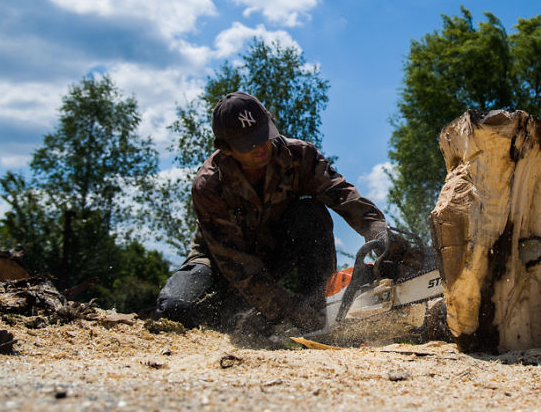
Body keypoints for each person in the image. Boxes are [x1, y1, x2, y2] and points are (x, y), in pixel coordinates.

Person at [156, 91, 389, 337]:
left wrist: (377, 230)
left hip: (275, 251)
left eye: (263, 135)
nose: (261, 147)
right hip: (220, 263)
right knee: (175, 309)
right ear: (226, 149)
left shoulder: (300, 156)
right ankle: (236, 318)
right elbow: (236, 264)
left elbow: (341, 193)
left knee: (311, 212)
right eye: (249, 143)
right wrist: (289, 308)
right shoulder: (209, 185)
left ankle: (322, 306)